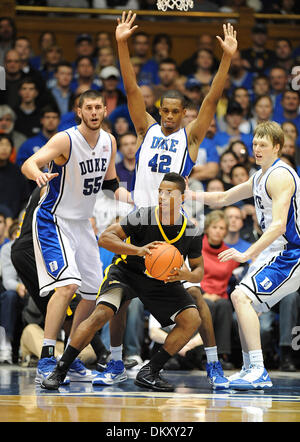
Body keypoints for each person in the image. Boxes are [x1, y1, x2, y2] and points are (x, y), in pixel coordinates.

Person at [96, 10, 238, 389]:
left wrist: (226, 57)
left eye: (178, 112)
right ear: (159, 111)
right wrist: (121, 44)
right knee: (119, 299)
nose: (171, 116)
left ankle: (213, 364)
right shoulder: (145, 129)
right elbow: (130, 89)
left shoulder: (190, 139)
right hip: (140, 223)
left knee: (196, 297)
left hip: (176, 225)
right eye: (167, 111)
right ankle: (114, 362)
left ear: (185, 114)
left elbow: (214, 96)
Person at [40, 173, 204, 392]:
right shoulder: (142, 216)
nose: (163, 197)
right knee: (101, 314)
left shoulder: (191, 230)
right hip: (126, 272)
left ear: (182, 198)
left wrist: (186, 275)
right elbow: (106, 238)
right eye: (160, 192)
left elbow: (199, 271)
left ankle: (150, 371)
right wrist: (138, 250)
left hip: (160, 281)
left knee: (192, 319)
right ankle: (60, 370)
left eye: (169, 193)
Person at [21, 89, 133, 384]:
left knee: (93, 292)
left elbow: (111, 183)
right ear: (79, 111)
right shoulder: (65, 139)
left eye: (99, 107)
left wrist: (132, 198)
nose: (95, 112)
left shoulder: (109, 141)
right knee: (68, 285)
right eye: (89, 108)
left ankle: (68, 358)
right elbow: (28, 163)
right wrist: (38, 175)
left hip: (83, 223)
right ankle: (46, 358)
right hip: (53, 219)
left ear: (105, 110)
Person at [192, 121, 300, 390]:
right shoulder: (259, 176)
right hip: (276, 252)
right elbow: (223, 198)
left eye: (263, 144)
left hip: (291, 253)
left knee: (241, 296)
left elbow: (277, 225)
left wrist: (247, 253)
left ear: (277, 146)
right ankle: (251, 368)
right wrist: (188, 194)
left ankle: (259, 370)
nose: (257, 149)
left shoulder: (280, 175)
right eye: (254, 144)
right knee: (242, 300)